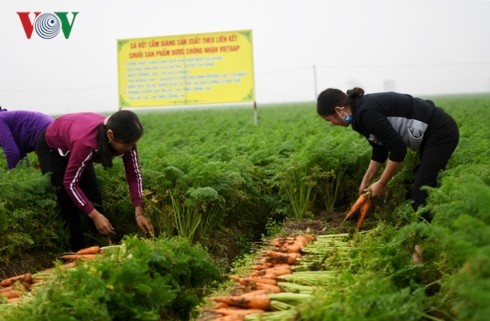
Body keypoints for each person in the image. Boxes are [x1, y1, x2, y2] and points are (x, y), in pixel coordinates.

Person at [317, 87, 459, 215]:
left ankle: (423, 241)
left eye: (329, 120)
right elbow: (380, 149)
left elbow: (398, 150)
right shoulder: (358, 118)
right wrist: (365, 182)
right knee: (409, 184)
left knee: (420, 191)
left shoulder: (366, 112)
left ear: (338, 110)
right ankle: (417, 230)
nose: (333, 124)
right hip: (428, 137)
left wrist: (381, 184)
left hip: (440, 132)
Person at [35, 110, 154, 251]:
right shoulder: (86, 143)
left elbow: (134, 175)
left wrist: (139, 210)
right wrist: (94, 215)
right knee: (68, 202)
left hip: (76, 142)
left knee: (94, 196)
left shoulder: (126, 140)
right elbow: (70, 184)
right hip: (53, 149)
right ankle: (78, 250)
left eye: (133, 144)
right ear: (110, 135)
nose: (130, 148)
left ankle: (102, 243)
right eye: (127, 145)